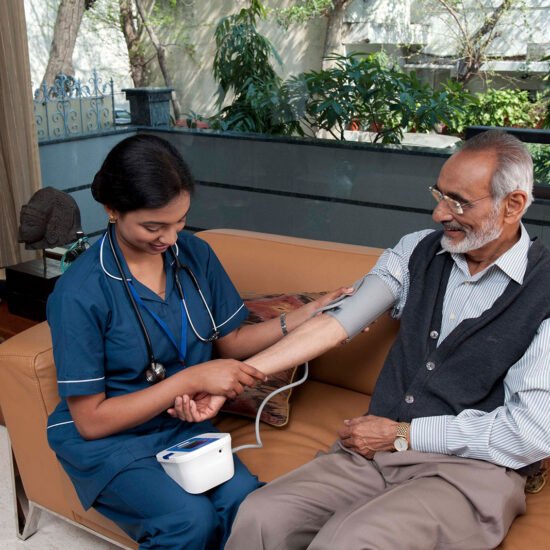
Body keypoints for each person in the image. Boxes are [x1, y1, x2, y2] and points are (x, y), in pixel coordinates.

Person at [200, 130, 549, 549]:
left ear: (513, 205)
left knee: (349, 541)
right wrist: (236, 378)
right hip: (374, 454)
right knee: (261, 514)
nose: (439, 213)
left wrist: (402, 434)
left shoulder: (544, 291)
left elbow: (529, 432)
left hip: (471, 472)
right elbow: (337, 323)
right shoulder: (417, 251)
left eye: (458, 202)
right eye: (439, 195)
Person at [46, 134, 344, 550]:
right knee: (188, 522)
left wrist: (308, 314)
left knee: (246, 504)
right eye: (153, 226)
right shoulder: (80, 292)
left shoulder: (195, 255)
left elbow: (232, 341)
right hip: (109, 439)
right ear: (112, 209)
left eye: (180, 221)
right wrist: (189, 380)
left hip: (178, 424)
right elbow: (91, 421)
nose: (170, 239)